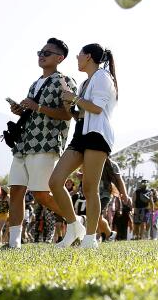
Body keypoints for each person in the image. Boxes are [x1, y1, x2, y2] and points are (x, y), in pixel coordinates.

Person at [6, 38, 77, 249]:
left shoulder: (65, 81)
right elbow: (34, 111)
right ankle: (14, 242)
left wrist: (37, 107)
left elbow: (68, 114)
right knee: (15, 190)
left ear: (60, 58)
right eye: (40, 52)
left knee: (41, 194)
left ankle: (76, 223)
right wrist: (21, 110)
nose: (41, 56)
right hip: (24, 143)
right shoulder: (35, 83)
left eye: (47, 53)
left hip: (46, 143)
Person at [48, 43, 119, 248]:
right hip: (80, 134)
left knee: (89, 188)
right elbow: (82, 114)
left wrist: (74, 98)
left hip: (97, 135)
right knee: (55, 181)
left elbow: (97, 109)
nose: (77, 58)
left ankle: (90, 239)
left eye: (79, 54)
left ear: (88, 56)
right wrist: (69, 106)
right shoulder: (85, 83)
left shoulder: (103, 77)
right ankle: (74, 227)